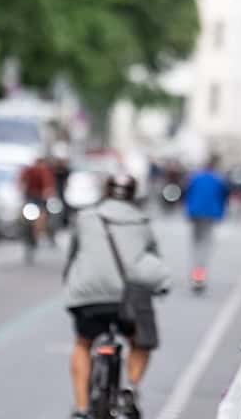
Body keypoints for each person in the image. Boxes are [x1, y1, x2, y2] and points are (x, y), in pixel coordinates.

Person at [64, 173, 170, 419]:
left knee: (83, 342)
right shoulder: (142, 222)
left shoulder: (85, 218)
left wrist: (71, 284)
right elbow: (154, 261)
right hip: (128, 299)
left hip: (88, 296)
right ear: (134, 194)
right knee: (141, 341)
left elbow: (73, 256)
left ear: (106, 191)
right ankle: (129, 389)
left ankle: (81, 408)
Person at [183, 155, 229, 291]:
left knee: (196, 245)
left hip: (195, 213)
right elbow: (224, 196)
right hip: (210, 215)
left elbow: (187, 192)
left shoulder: (195, 177)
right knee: (205, 246)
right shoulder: (219, 179)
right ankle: (199, 276)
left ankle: (196, 275)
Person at [18, 155, 56, 254]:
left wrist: (47, 192)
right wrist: (21, 189)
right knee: (23, 216)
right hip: (30, 198)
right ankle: (25, 233)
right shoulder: (29, 171)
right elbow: (21, 181)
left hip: (40, 199)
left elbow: (49, 185)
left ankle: (40, 233)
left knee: (42, 217)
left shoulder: (46, 172)